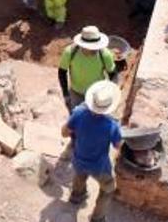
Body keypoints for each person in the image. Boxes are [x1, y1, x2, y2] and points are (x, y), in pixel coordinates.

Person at [61, 80, 123, 222]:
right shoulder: (111, 125)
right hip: (99, 166)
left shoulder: (78, 113)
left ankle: (76, 196)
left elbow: (64, 133)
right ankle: (97, 218)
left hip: (79, 158)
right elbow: (118, 146)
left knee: (80, 175)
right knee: (108, 189)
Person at [58, 26, 116, 112]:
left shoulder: (105, 54)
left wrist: (111, 92)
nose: (95, 49)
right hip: (76, 93)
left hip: (97, 95)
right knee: (77, 117)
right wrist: (65, 94)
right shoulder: (70, 53)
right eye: (92, 47)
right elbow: (62, 72)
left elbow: (113, 74)